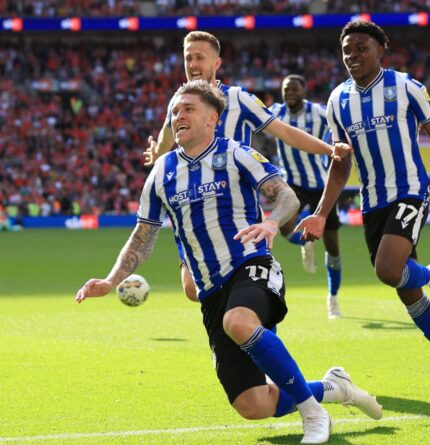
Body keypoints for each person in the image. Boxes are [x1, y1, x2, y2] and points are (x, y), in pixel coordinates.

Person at [77, 81, 382, 444]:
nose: (179, 116)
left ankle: (312, 413)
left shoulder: (236, 153)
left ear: (212, 119)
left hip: (252, 266)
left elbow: (285, 195)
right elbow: (144, 235)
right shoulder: (162, 172)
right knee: (253, 404)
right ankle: (332, 388)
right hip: (211, 290)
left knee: (238, 320)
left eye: (188, 108)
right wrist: (111, 281)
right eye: (175, 111)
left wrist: (271, 222)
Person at [294, 21, 430, 385]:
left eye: (362, 48)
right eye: (347, 50)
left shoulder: (406, 87)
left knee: (387, 269)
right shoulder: (337, 100)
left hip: (410, 192)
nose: (353, 56)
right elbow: (341, 164)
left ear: (381, 49)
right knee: (406, 291)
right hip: (373, 202)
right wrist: (320, 213)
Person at [142, 31, 348, 303]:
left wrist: (330, 149)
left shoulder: (239, 100)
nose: (192, 64)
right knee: (193, 290)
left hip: (238, 207)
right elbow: (166, 140)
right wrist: (155, 154)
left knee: (245, 283)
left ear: (216, 63)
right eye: (188, 58)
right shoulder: (179, 103)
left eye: (199, 58)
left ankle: (255, 320)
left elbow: (285, 132)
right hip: (195, 210)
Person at [270, 74, 345, 319]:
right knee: (284, 226)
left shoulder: (319, 113)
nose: (289, 93)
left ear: (304, 91)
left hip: (321, 184)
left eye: (293, 89)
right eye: (285, 89)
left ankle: (333, 299)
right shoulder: (276, 113)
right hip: (292, 183)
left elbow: (339, 128)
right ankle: (306, 242)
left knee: (332, 244)